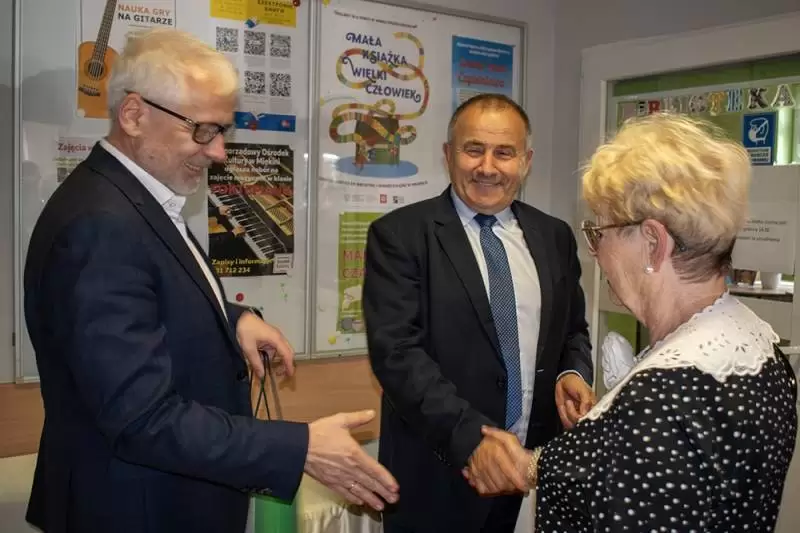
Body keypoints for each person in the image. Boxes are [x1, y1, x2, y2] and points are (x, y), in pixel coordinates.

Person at [23, 28, 398, 533]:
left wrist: (232, 319)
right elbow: (142, 418)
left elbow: (152, 294)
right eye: (203, 130)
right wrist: (300, 448)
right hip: (136, 510)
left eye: (223, 131)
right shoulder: (102, 224)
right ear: (133, 115)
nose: (219, 151)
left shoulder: (132, 197)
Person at [464, 112, 799, 532]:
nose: (596, 252)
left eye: (599, 232)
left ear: (654, 243)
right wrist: (553, 458)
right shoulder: (759, 350)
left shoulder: (658, 399)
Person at [362, 93, 595, 533]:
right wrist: (474, 440)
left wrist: (573, 373)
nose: (487, 167)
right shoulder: (400, 236)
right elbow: (397, 355)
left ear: (525, 161)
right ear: (449, 154)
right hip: (438, 473)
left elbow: (572, 330)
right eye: (474, 149)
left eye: (504, 153)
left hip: (531, 467)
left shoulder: (554, 236)